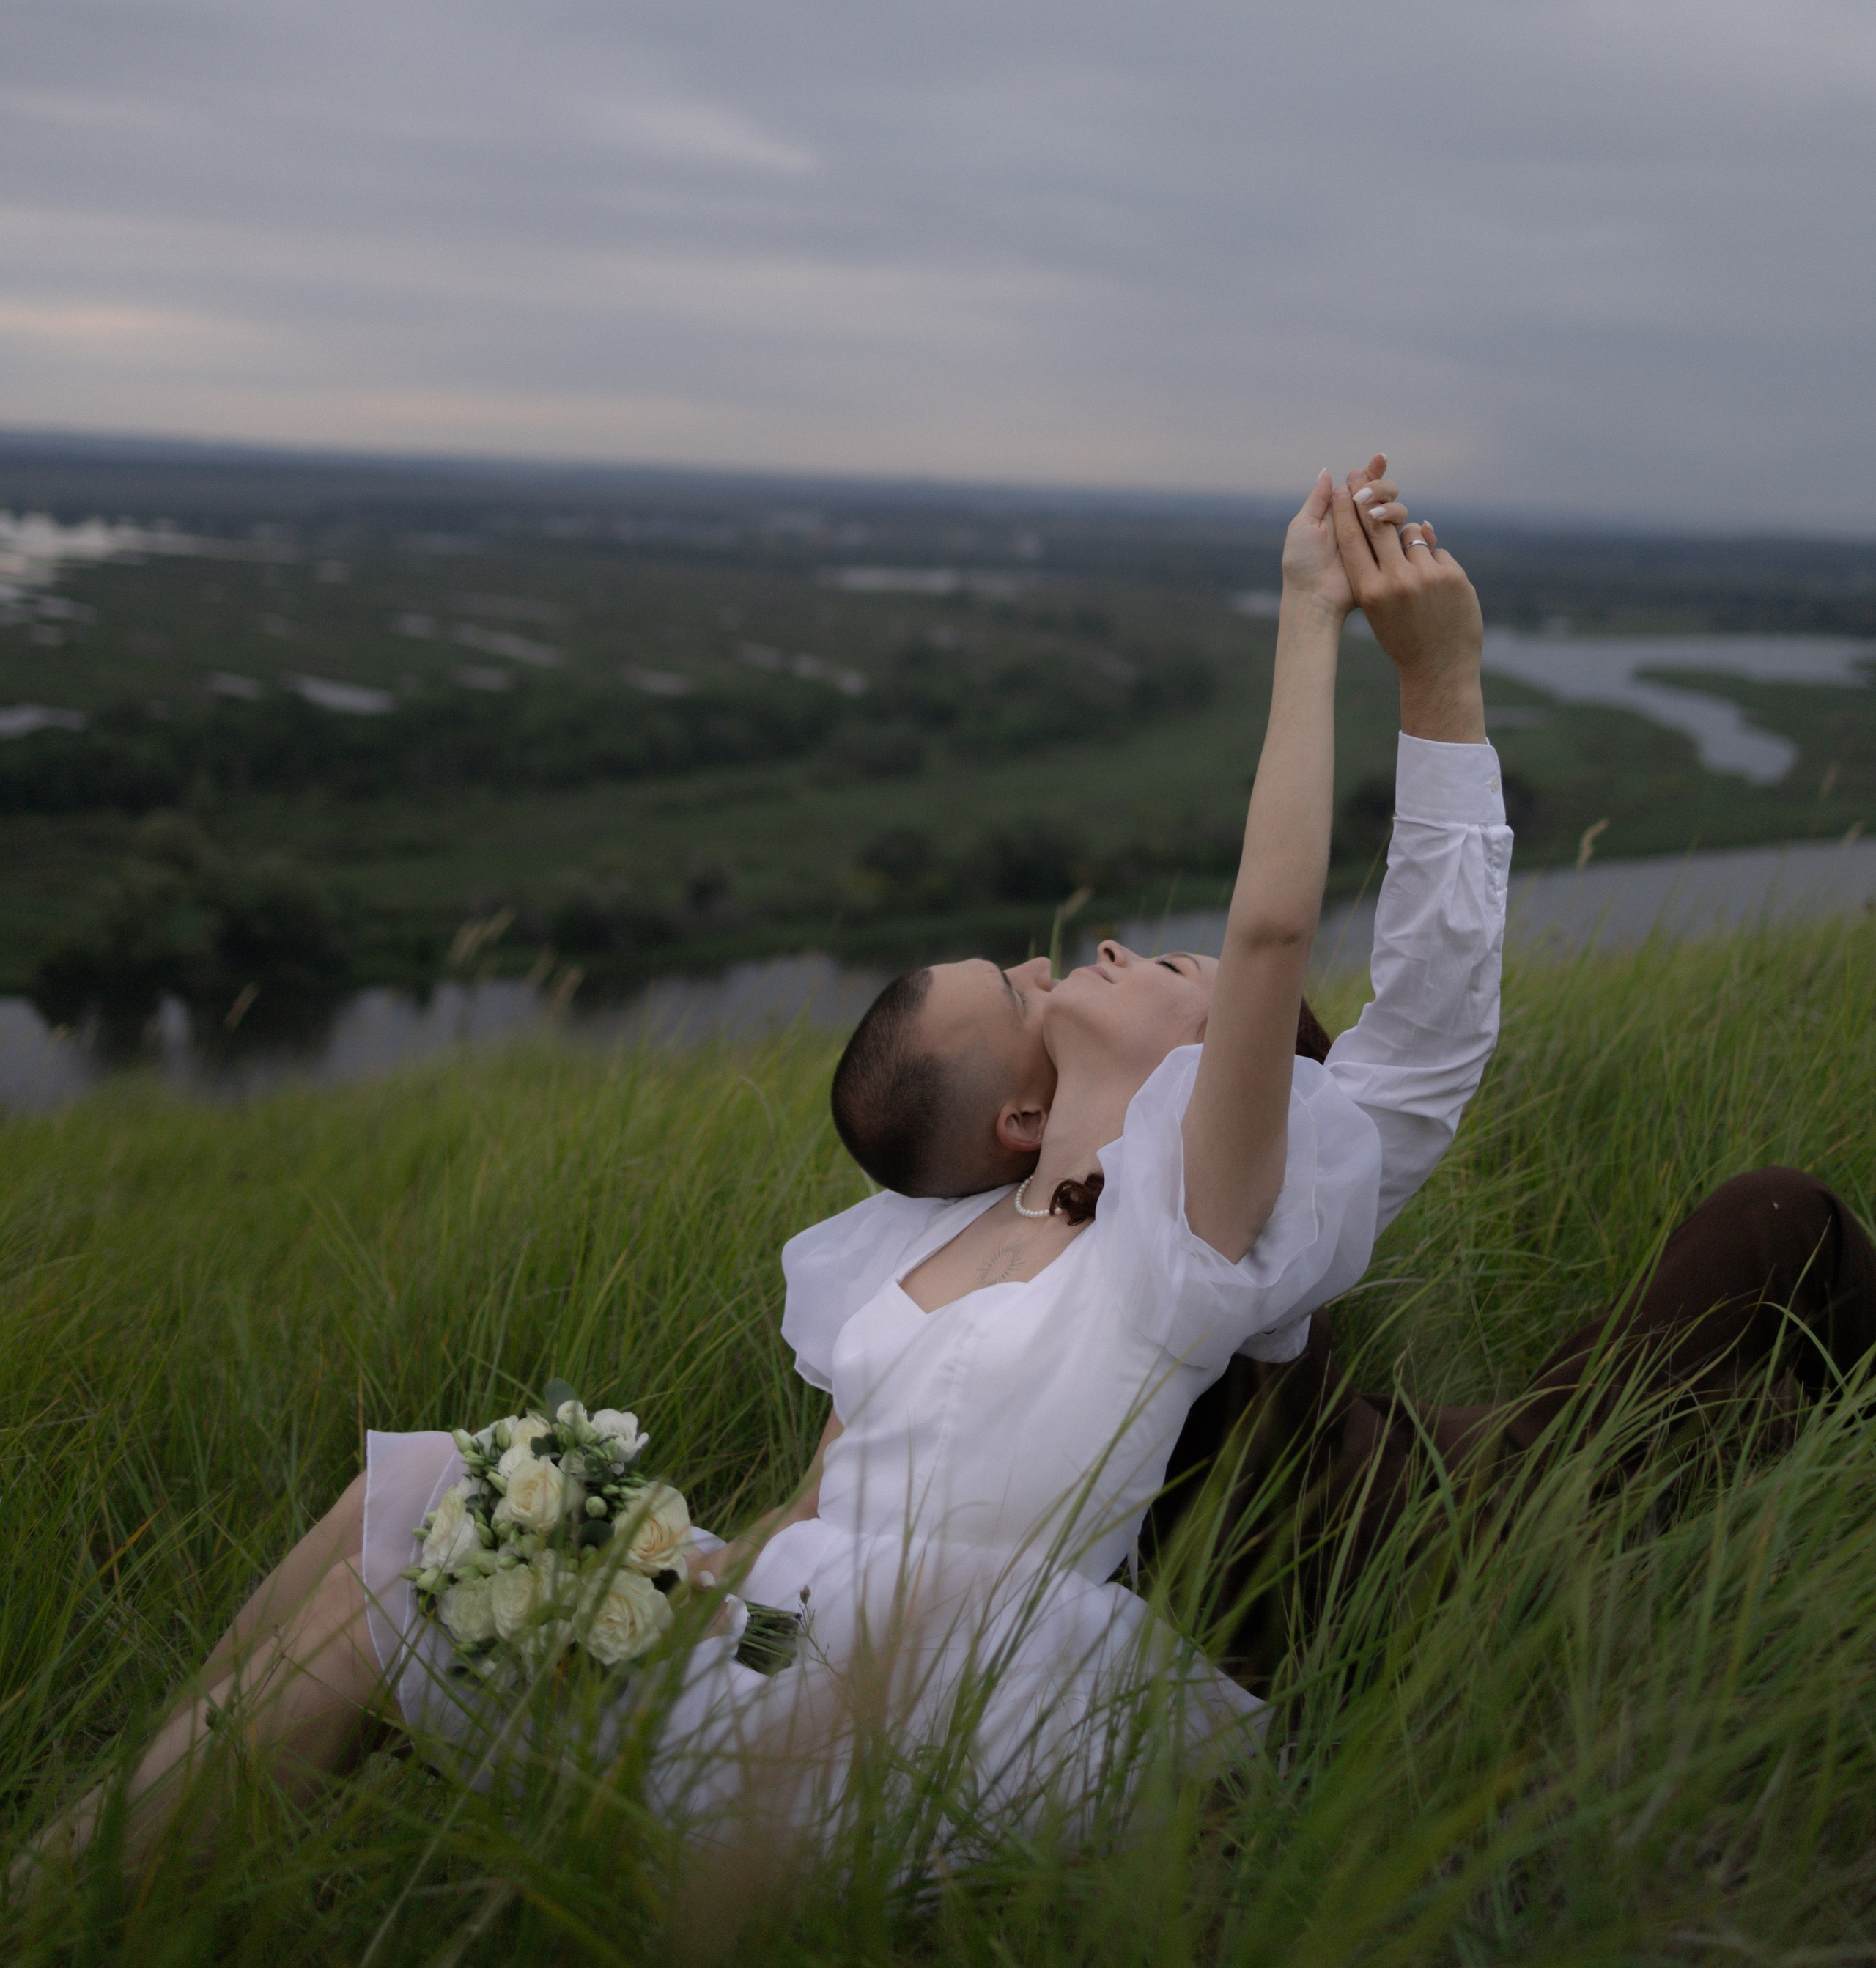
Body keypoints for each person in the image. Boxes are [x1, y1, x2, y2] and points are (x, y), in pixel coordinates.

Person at [27, 454, 1460, 1879]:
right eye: (1026, 989)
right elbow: (816, 1519)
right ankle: (110, 1839)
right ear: (1016, 1117)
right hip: (781, 1640)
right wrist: (699, 1589)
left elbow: (1277, 933)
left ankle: (78, 1898)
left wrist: (1333, 630)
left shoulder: (1176, 1238)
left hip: (919, 1713)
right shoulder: (919, 1245)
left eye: (1154, 963)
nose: (1080, 950)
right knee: (407, 1507)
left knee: (390, 1609)